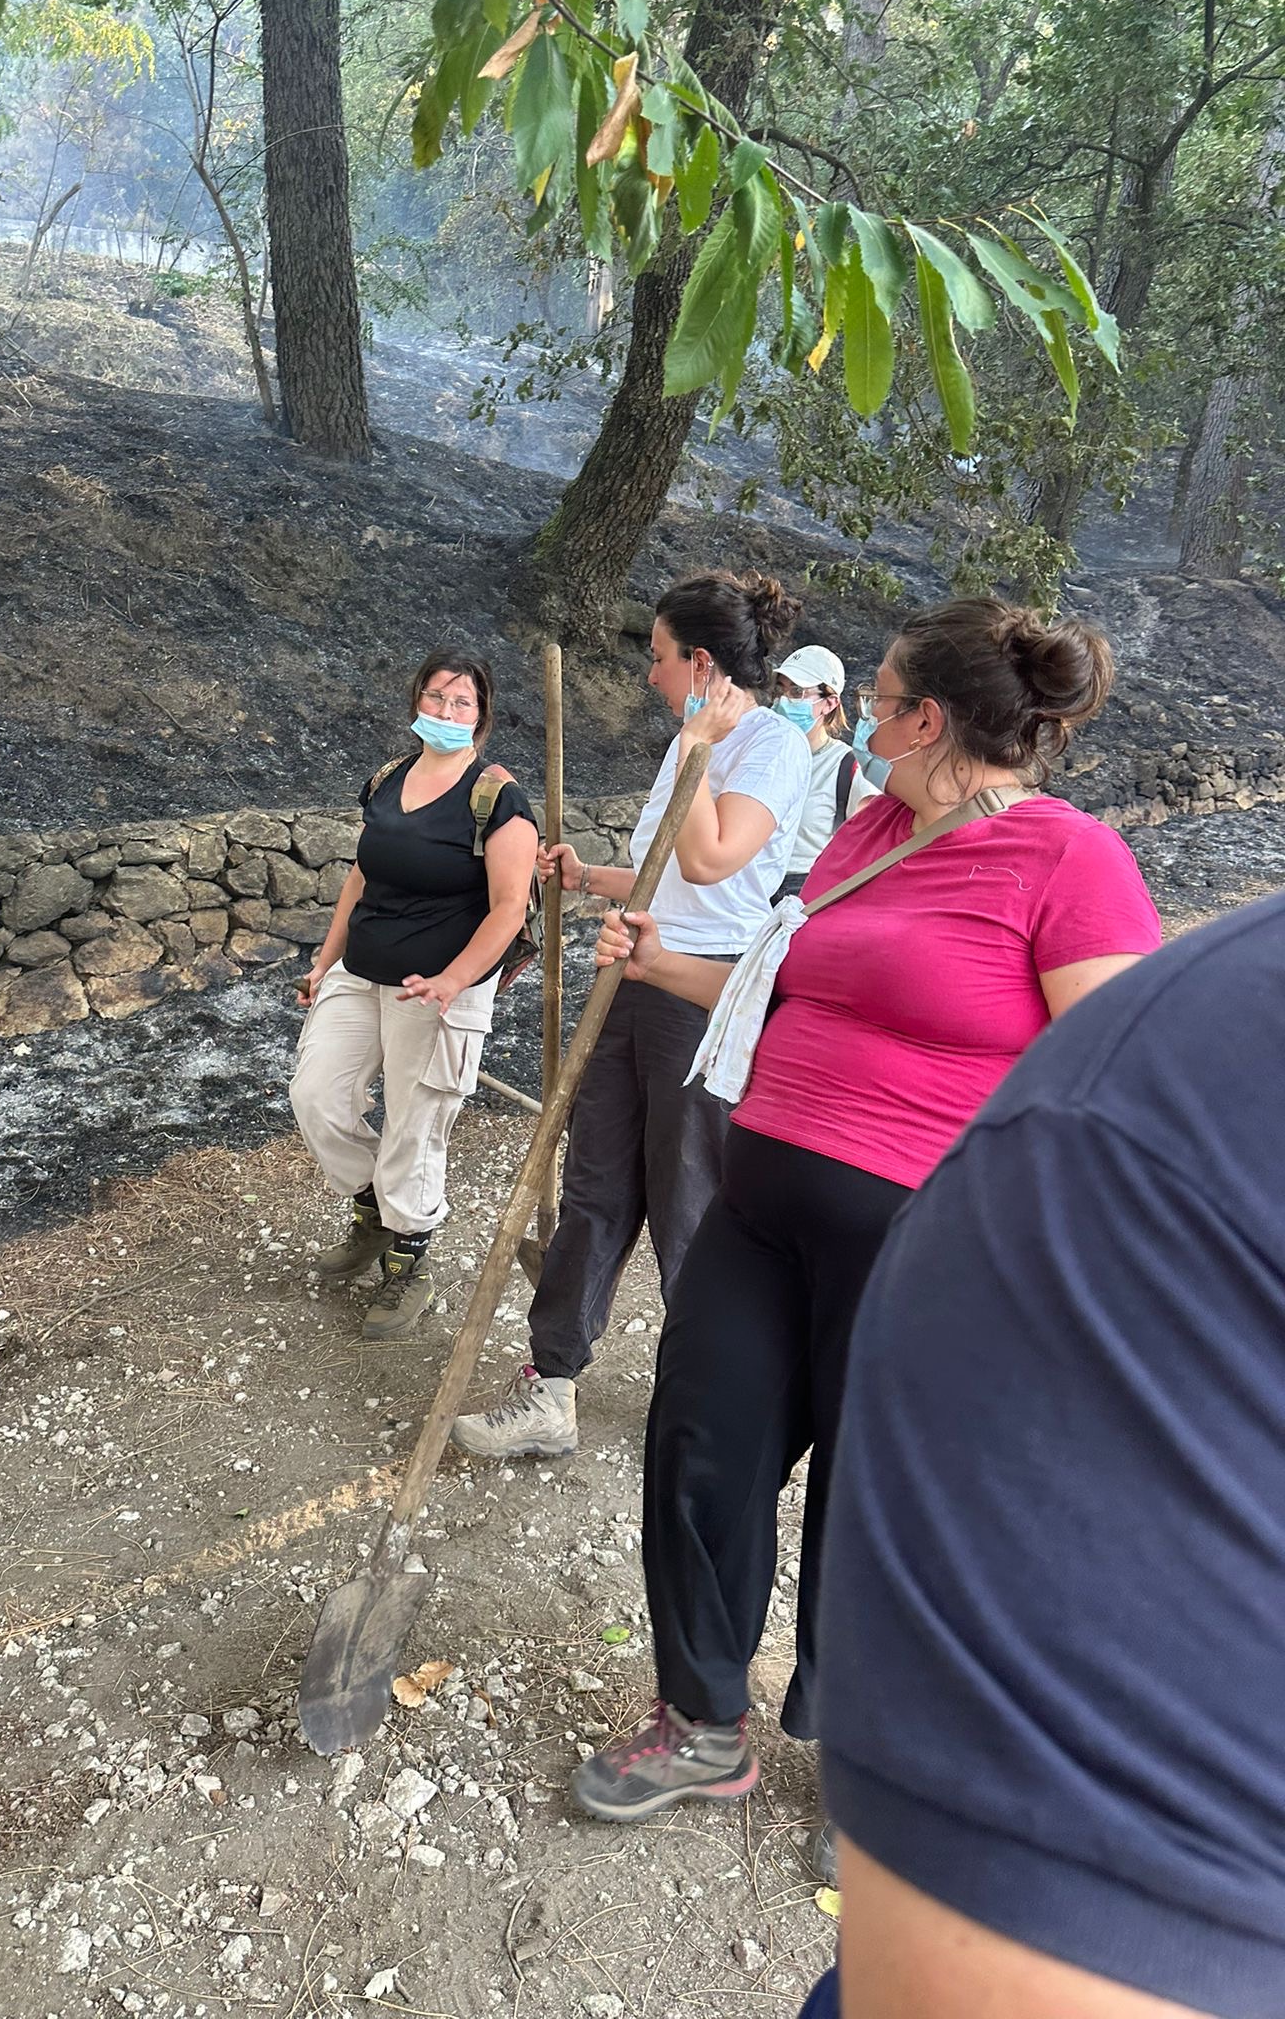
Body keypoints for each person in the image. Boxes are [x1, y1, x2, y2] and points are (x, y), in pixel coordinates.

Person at [567, 594, 1163, 1834]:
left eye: (876, 700)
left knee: (881, 1502)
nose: (846, 719)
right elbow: (785, 986)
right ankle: (702, 1721)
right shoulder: (869, 829)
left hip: (924, 1245)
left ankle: (873, 1763)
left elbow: (1122, 1086)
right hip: (759, 1208)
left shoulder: (1070, 860)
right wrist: (661, 961)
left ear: (926, 719)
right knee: (700, 1442)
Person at [798, 889, 1285, 2019]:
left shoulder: (1072, 875)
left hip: (910, 1196)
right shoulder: (1146, 1138)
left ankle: (835, 1744)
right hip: (801, 1183)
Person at [451, 569, 812, 1461]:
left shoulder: (769, 745)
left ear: (700, 664)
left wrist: (696, 747)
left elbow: (715, 861)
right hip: (631, 972)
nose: (650, 674)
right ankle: (552, 1386)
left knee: (690, 1199)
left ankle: (708, 1399)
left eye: (659, 657)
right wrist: (588, 878)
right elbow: (667, 873)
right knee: (595, 1184)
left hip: (699, 991)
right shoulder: (691, 742)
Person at [289, 653, 538, 1340]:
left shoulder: (498, 800)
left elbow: (508, 909)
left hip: (437, 991)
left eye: (462, 703)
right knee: (317, 1096)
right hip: (360, 971)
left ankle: (408, 1258)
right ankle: (376, 1208)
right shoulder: (389, 778)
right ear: (416, 702)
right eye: (435, 698)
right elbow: (360, 878)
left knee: (414, 1123)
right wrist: (325, 960)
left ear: (481, 716)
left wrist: (453, 980)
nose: (446, 712)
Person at [771, 643, 882, 900]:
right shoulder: (763, 754)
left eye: (796, 692)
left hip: (802, 894)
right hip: (749, 888)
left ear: (829, 703)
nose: (784, 700)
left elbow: (871, 845)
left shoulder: (846, 766)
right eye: (780, 690)